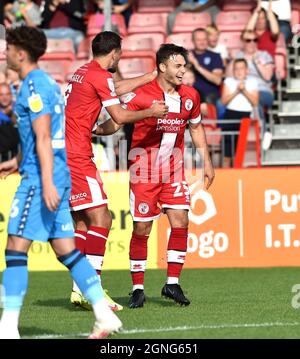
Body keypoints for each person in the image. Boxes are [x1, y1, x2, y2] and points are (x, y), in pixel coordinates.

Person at [0, 26, 122, 339]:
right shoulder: (48, 83)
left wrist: (45, 182)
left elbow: (43, 136)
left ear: (21, 52)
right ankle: (102, 314)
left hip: (43, 177)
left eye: (9, 48)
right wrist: (17, 161)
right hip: (54, 170)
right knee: (67, 250)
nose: (6, 53)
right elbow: (48, 133)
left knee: (15, 248)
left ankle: (8, 327)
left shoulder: (33, 85)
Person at [65, 31, 168, 311]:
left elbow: (113, 88)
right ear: (114, 54)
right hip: (77, 155)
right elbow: (120, 117)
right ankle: (92, 289)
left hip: (66, 153)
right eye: (120, 54)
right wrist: (151, 111)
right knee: (103, 218)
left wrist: (149, 78)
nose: (119, 58)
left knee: (84, 223)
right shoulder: (99, 76)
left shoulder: (83, 72)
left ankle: (78, 289)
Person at [120, 44, 215, 308]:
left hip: (174, 169)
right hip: (144, 171)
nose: (183, 70)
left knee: (181, 221)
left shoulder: (190, 96)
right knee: (142, 227)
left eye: (184, 66)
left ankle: (171, 283)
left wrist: (207, 162)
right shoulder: (142, 94)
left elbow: (195, 128)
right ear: (162, 67)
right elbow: (118, 115)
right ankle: (137, 287)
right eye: (178, 66)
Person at [221, 59, 259, 167]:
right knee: (227, 153)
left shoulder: (253, 82)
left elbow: (255, 102)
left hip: (246, 117)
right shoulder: (229, 81)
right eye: (236, 69)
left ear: (247, 70)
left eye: (241, 68)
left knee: (241, 152)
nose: (239, 71)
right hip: (230, 115)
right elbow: (224, 101)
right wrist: (237, 91)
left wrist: (244, 90)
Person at [188, 28, 224, 106]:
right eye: (198, 40)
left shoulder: (215, 56)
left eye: (204, 39)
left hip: (209, 96)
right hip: (189, 94)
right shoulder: (187, 56)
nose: (202, 42)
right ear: (193, 41)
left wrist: (197, 66)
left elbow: (217, 80)